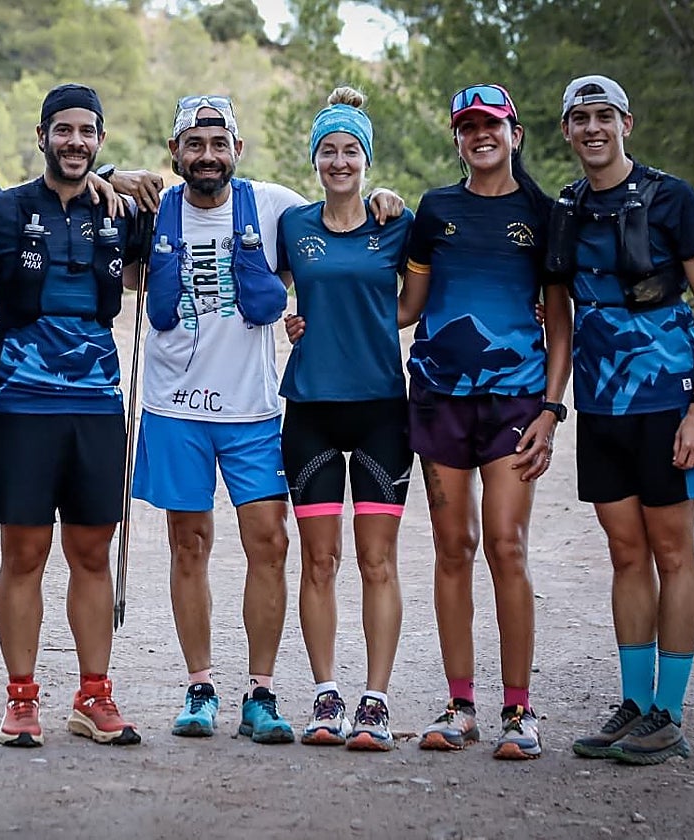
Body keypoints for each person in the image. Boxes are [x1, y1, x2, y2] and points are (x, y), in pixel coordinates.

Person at [130, 95, 403, 744]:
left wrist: (384, 194)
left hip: (252, 407)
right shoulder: (151, 207)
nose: (207, 156)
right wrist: (112, 174)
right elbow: (87, 186)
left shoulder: (273, 204)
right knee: (187, 544)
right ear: (176, 153)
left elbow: (340, 222)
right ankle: (200, 686)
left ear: (237, 150)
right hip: (174, 408)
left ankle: (261, 690)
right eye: (193, 145)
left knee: (270, 544)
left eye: (218, 144)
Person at [403, 84, 571, 760]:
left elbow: (559, 320)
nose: (481, 136)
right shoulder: (435, 209)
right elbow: (407, 306)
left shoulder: (545, 214)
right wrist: (324, 320)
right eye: (468, 126)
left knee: (506, 544)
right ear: (456, 137)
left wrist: (553, 410)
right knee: (452, 547)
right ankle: (460, 704)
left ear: (516, 133)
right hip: (439, 396)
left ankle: (519, 710)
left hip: (515, 400)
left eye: (492, 125)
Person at [0, 84, 149, 747]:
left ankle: (93, 697)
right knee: (24, 552)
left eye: (87, 132)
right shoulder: (7, 206)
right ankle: (21, 700)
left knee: (91, 552)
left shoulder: (122, 211)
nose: (74, 141)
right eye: (63, 130)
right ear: (42, 135)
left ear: (100, 139)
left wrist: (119, 182)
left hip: (98, 403)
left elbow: (196, 193)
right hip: (21, 401)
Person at [555, 76, 694, 766]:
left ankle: (670, 713)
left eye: (603, 115)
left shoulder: (673, 198)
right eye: (579, 118)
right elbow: (556, 311)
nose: (592, 128)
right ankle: (635, 704)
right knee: (625, 554)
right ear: (566, 132)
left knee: (674, 553)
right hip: (600, 409)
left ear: (627, 123)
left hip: (667, 405)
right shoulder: (567, 207)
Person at [275, 87, 414, 751]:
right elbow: (264, 290)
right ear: (314, 159)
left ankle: (377, 701)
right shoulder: (293, 226)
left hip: (383, 410)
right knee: (319, 561)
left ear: (366, 160)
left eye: (350, 151)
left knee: (377, 561)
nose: (338, 161)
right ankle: (327, 695)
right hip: (310, 412)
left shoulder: (396, 222)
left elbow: (417, 304)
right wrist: (289, 318)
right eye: (327, 150)